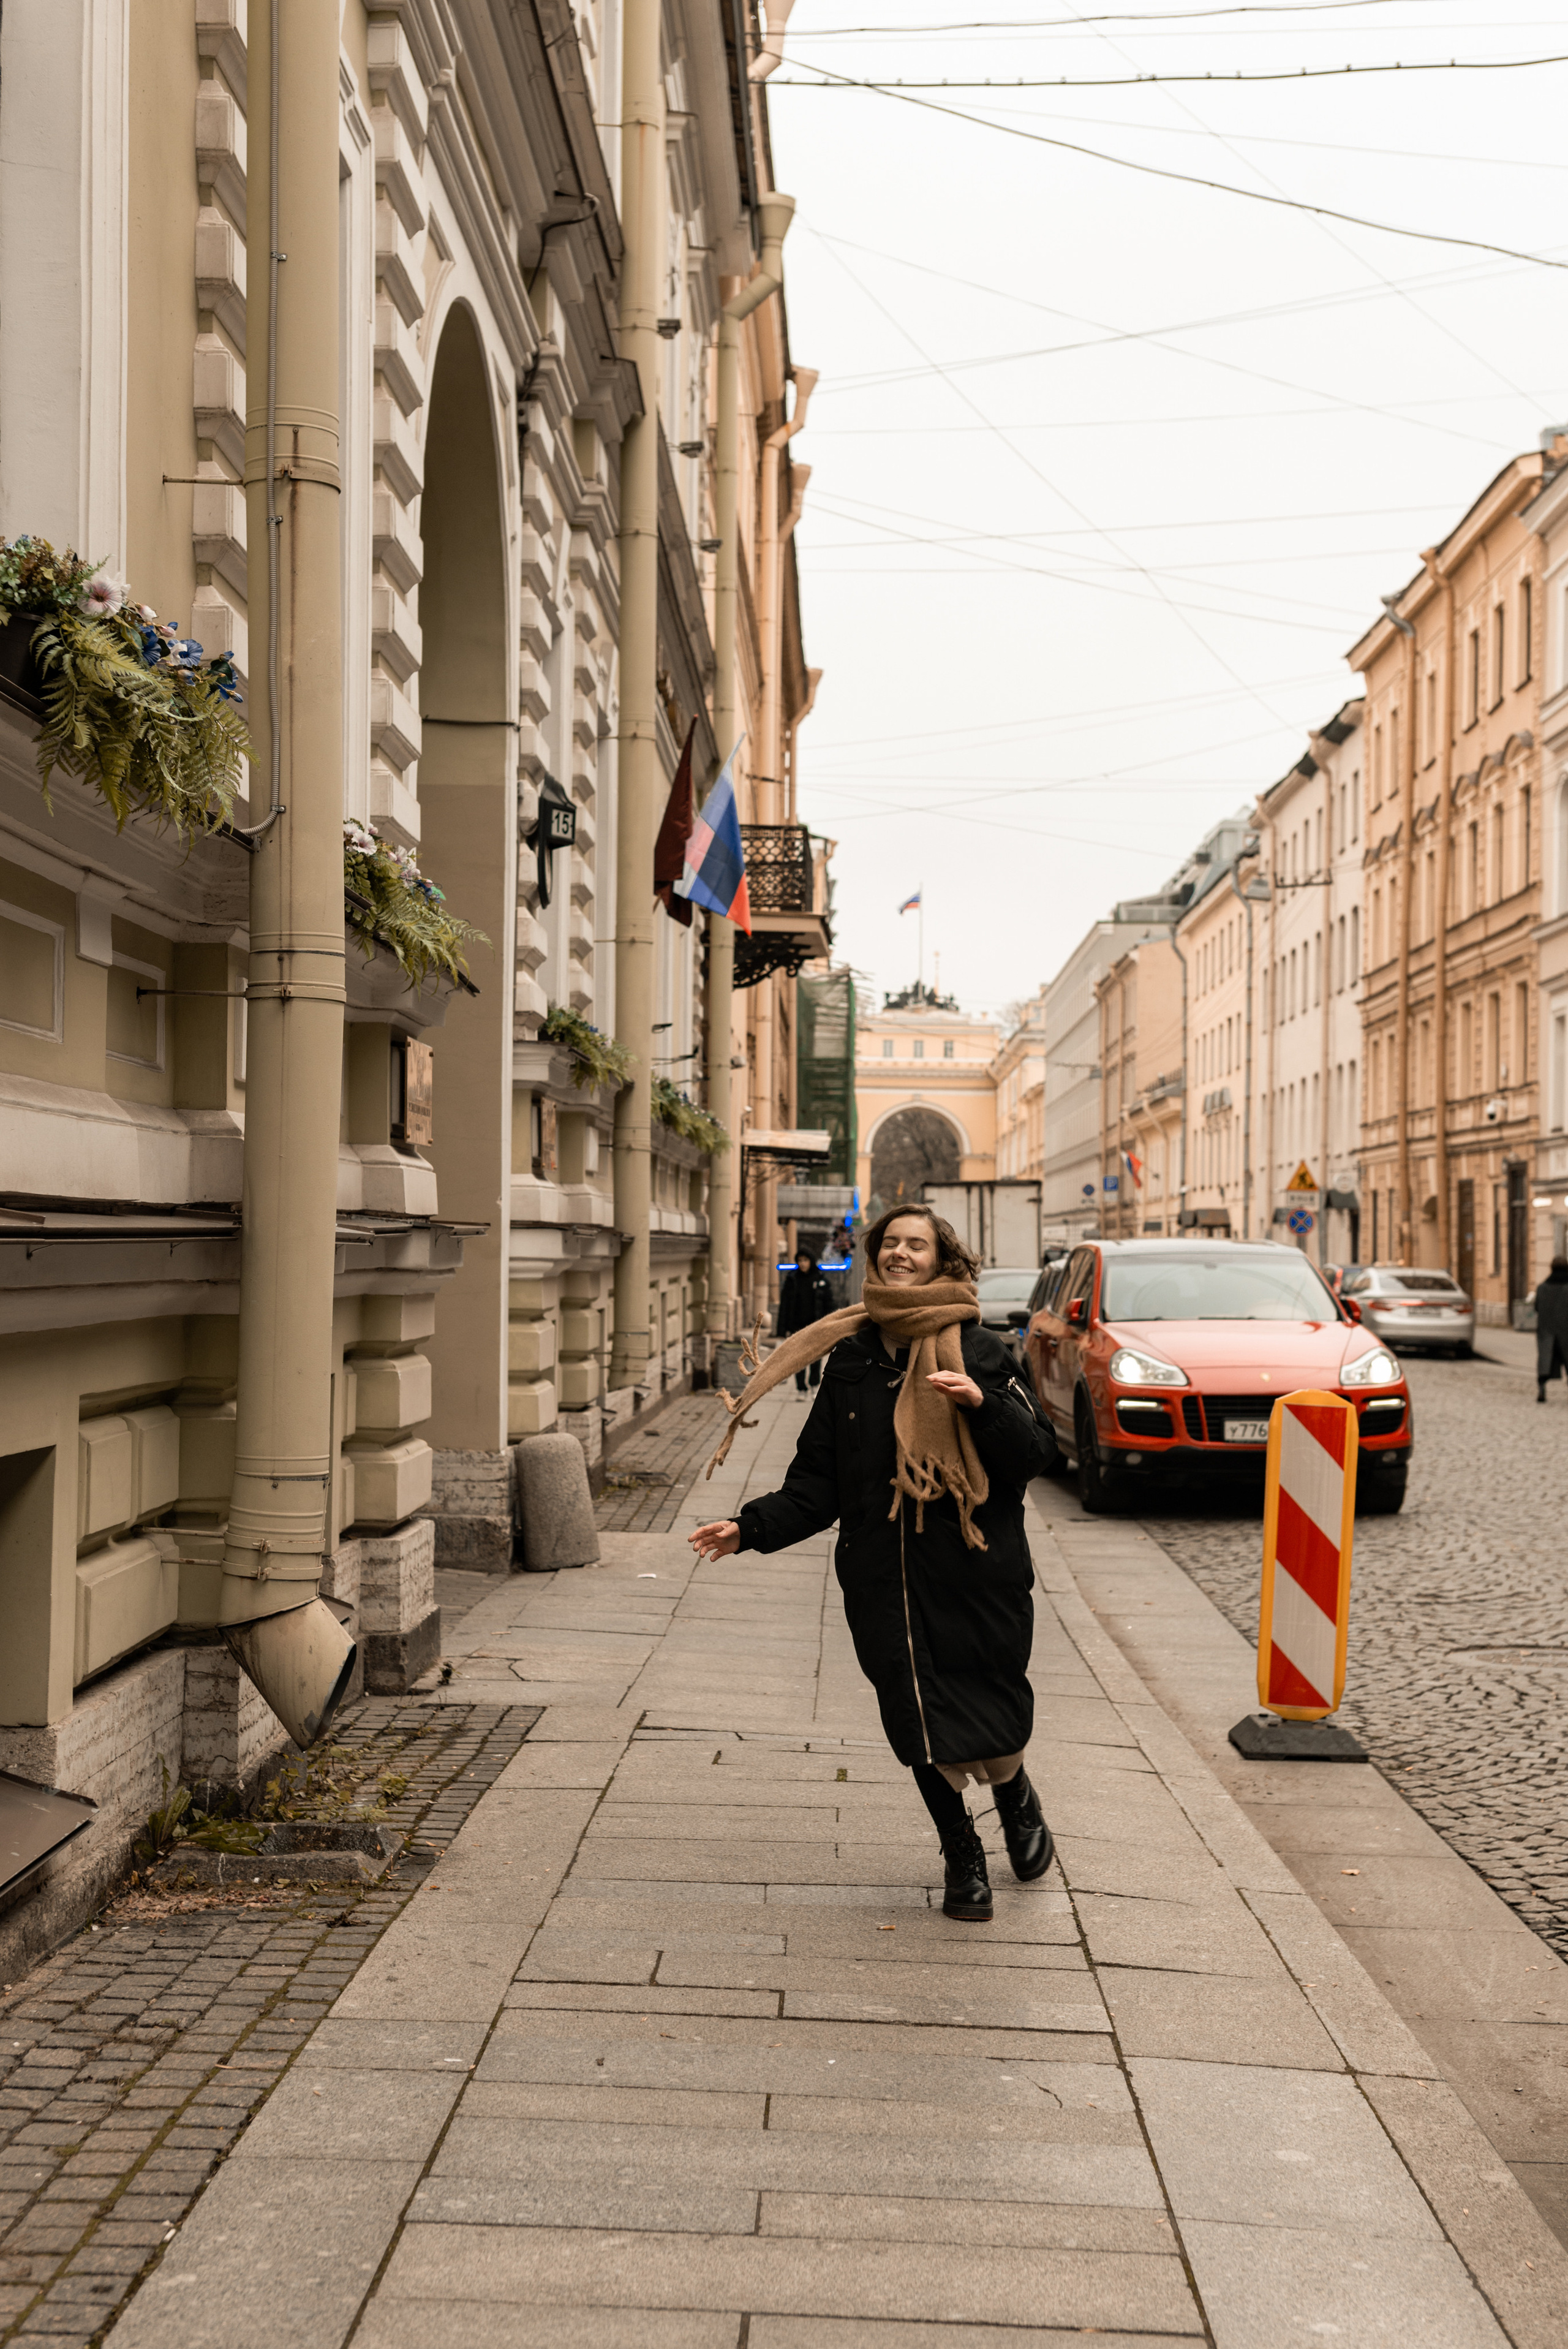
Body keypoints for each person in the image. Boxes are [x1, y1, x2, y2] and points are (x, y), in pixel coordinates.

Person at [690, 1205, 1058, 1923]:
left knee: (992, 1705)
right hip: (881, 1575)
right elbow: (818, 1481)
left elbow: (1035, 1453)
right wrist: (749, 1528)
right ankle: (962, 1853)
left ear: (941, 1261)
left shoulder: (979, 1351)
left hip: (976, 1573)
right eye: (889, 1243)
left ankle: (1014, 1795)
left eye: (914, 1245)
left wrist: (982, 1405)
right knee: (912, 1713)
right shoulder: (852, 1359)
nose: (898, 1254)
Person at [775, 1247, 836, 1393]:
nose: (802, 1264)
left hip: (817, 1326)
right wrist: (781, 1330)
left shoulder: (821, 1279)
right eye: (800, 1261)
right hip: (797, 1325)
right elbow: (784, 1306)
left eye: (805, 1260)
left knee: (816, 1357)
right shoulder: (792, 1279)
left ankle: (814, 1384)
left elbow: (829, 1305)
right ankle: (801, 1388)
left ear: (811, 1261)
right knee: (798, 1359)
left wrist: (832, 1327)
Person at [1534, 1257, 1568, 1402]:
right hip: (1566, 1333)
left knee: (1545, 1363)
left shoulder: (1542, 1288)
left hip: (1546, 1331)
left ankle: (1542, 1389)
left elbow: (1536, 1308)